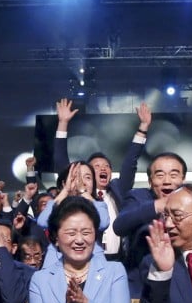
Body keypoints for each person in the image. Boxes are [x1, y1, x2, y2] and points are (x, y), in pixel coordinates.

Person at [53, 98, 148, 261]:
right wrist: (62, 124)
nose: (103, 168)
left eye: (107, 166)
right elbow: (61, 162)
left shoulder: (119, 189)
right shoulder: (78, 194)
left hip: (119, 259)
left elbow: (130, 162)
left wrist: (143, 128)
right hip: (85, 259)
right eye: (96, 166)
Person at [113, 151, 189, 297]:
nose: (167, 181)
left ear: (183, 179)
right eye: (160, 175)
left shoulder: (191, 201)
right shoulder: (137, 197)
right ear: (150, 181)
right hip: (142, 284)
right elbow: (119, 226)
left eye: (174, 175)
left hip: (182, 283)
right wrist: (158, 205)